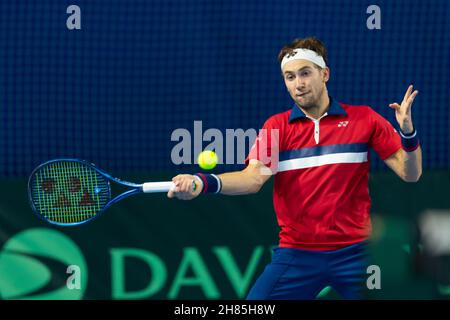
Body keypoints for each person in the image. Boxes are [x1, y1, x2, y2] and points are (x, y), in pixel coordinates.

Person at [167, 37, 422, 299]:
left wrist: (408, 133)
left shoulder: (364, 118)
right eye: (289, 77)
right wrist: (202, 182)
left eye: (305, 73)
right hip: (298, 255)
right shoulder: (276, 127)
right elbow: (252, 179)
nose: (298, 84)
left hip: (357, 253)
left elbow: (410, 173)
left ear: (325, 74)